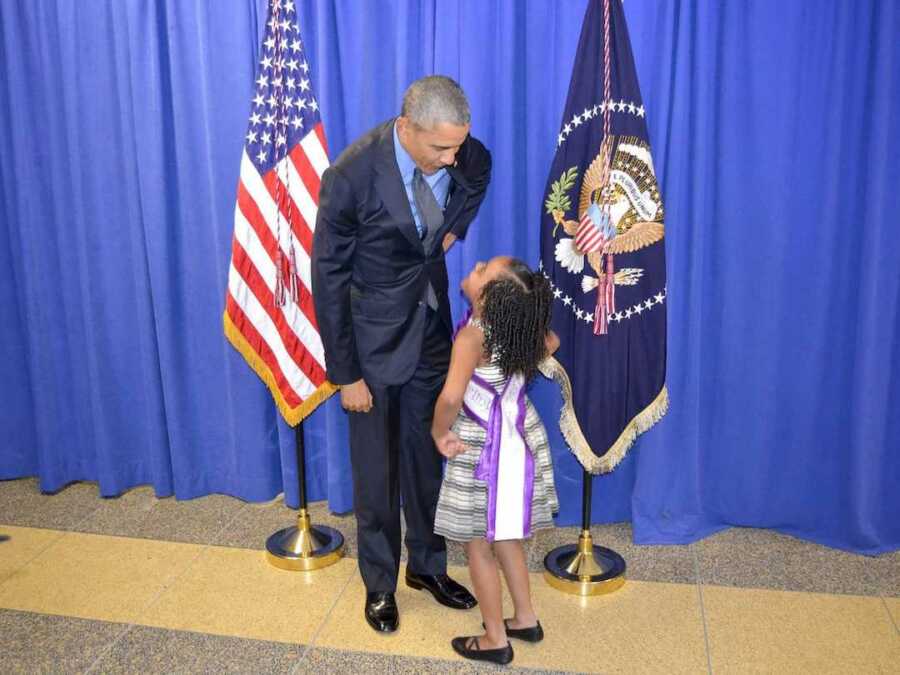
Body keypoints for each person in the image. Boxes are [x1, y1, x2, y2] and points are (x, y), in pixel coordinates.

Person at [311, 76, 492, 633]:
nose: (452, 157)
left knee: (426, 459)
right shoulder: (351, 175)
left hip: (431, 333)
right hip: (370, 347)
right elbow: (329, 277)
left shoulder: (464, 152)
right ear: (406, 127)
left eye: (457, 145)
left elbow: (478, 172)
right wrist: (346, 375)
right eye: (440, 148)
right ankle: (381, 584)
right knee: (376, 472)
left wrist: (452, 232)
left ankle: (429, 567)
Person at [431, 256, 560, 666]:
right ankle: (524, 618)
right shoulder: (519, 331)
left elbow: (452, 397)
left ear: (487, 298)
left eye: (484, 269)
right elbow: (551, 342)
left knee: (478, 547)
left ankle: (494, 638)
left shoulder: (472, 337)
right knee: (506, 538)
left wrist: (438, 433)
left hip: (481, 446)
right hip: (517, 438)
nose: (478, 263)